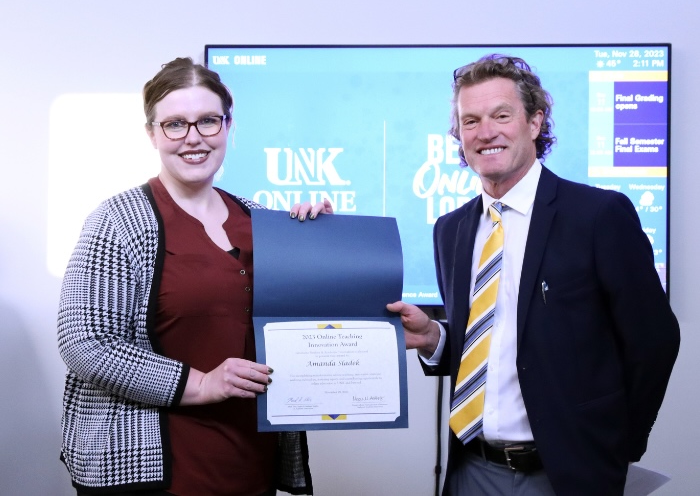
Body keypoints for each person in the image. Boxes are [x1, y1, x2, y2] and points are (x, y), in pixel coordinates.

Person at [387, 54, 680, 495]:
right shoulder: (451, 229)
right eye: (471, 121)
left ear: (535, 121)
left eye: (501, 115)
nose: (485, 132)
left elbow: (655, 341)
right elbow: (488, 341)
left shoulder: (598, 216)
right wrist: (434, 337)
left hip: (567, 474)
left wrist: (617, 445)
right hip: (471, 469)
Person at [57, 57, 331, 496]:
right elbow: (85, 344)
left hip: (249, 463)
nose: (193, 138)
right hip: (155, 470)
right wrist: (201, 383)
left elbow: (305, 329)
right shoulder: (117, 221)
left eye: (208, 121)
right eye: (174, 125)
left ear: (228, 127)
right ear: (152, 133)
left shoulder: (263, 220)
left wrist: (322, 245)